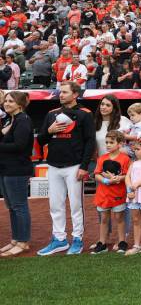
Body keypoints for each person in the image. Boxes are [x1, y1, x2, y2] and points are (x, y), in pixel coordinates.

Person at [37, 81, 95, 256]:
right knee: (55, 205)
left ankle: (77, 239)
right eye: (60, 92)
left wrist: (84, 166)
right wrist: (49, 130)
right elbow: (41, 140)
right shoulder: (51, 114)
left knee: (76, 205)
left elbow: (90, 142)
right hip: (53, 165)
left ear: (75, 94)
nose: (60, 95)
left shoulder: (85, 113)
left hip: (74, 166)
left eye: (64, 92)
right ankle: (59, 239)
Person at [0, 91, 33, 258]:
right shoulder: (10, 119)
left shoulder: (23, 120)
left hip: (17, 170)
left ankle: (23, 242)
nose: (6, 103)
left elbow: (19, 146)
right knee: (12, 207)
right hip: (6, 168)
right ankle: (16, 239)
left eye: (11, 101)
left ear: (19, 104)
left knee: (19, 206)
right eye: (6, 101)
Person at [91, 131, 130, 254]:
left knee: (119, 218)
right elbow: (97, 174)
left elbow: (128, 175)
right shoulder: (102, 158)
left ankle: (122, 242)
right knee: (104, 219)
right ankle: (102, 243)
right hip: (103, 194)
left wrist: (119, 178)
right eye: (106, 142)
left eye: (111, 142)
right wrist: (106, 180)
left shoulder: (125, 159)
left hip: (118, 194)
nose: (108, 145)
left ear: (120, 144)